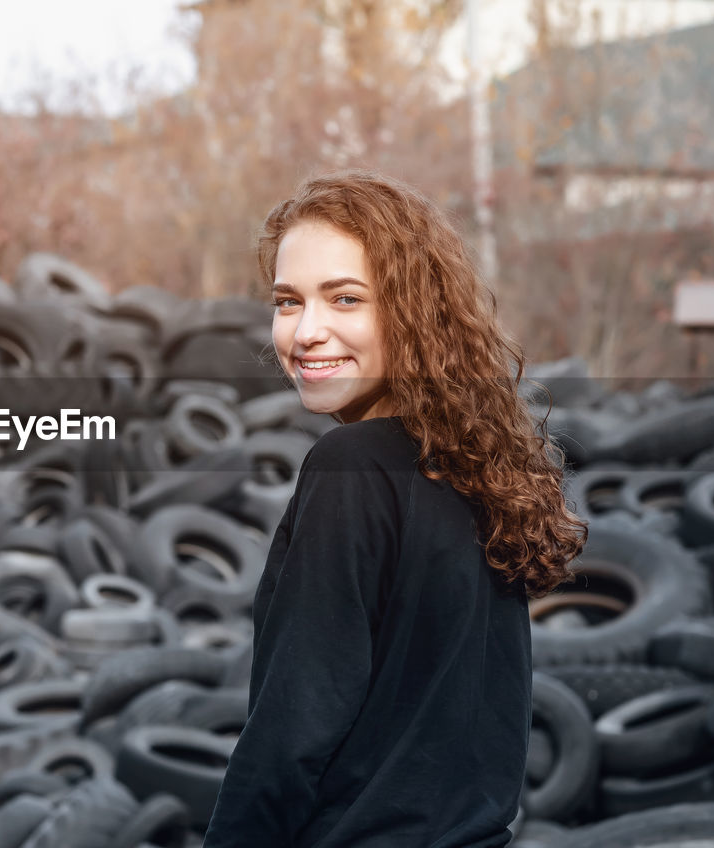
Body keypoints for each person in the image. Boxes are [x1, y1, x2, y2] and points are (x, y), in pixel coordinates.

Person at [200, 169, 588, 848]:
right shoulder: (479, 473)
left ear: (411, 311)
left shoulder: (352, 466)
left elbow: (292, 732)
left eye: (345, 299)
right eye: (288, 302)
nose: (308, 331)